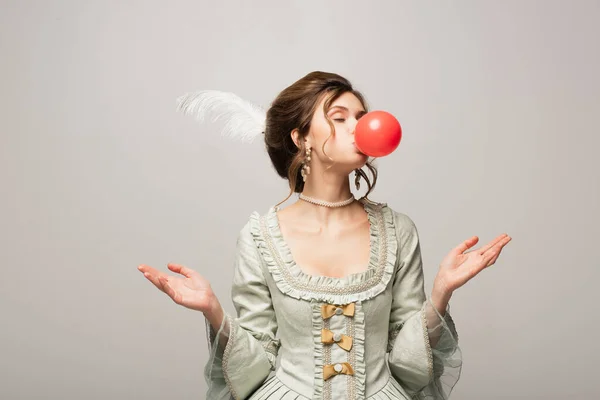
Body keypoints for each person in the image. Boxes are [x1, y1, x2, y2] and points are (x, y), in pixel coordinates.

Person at [138, 71, 512, 399]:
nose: (360, 127)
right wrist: (213, 311)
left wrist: (440, 294)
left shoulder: (399, 230)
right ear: (302, 138)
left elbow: (409, 371)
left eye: (361, 117)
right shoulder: (258, 237)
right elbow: (253, 372)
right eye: (340, 117)